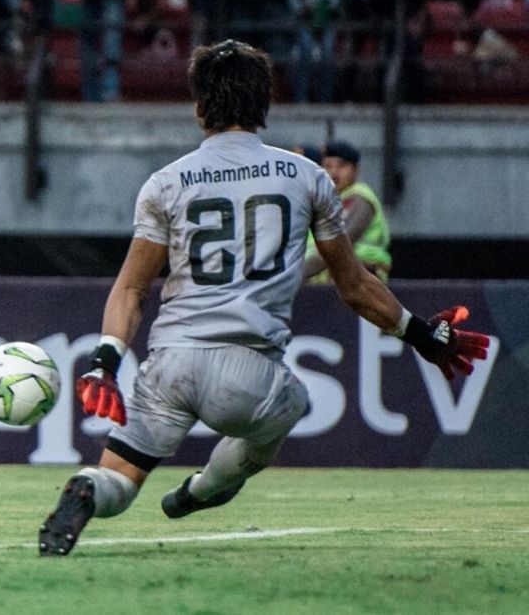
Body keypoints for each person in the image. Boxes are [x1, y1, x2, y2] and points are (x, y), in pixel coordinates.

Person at [37, 40, 491, 557]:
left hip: (172, 363)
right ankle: (201, 489)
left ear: (199, 106)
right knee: (293, 402)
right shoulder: (306, 176)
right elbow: (356, 286)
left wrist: (105, 361)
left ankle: (87, 490)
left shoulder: (165, 182)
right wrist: (422, 334)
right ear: (265, 105)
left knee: (117, 478)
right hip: (252, 373)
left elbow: (132, 286)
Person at [303, 140, 391, 283]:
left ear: (356, 169)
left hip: (362, 279)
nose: (333, 172)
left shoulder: (360, 198)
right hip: (325, 282)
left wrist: (296, 274)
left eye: (342, 165)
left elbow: (337, 246)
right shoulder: (323, 200)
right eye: (327, 166)